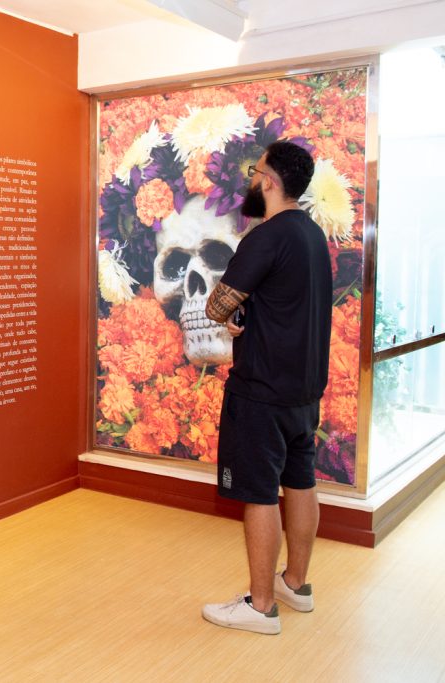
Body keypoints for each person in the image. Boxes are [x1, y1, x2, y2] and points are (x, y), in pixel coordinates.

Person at [201, 140, 331, 635]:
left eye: (256, 173)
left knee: (259, 494)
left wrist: (233, 310)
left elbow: (217, 305)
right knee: (301, 482)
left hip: (260, 389)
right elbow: (280, 302)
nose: (252, 181)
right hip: (303, 391)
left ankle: (259, 607)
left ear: (270, 181)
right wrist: (244, 312)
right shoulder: (313, 236)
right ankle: (295, 585)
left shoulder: (265, 236)